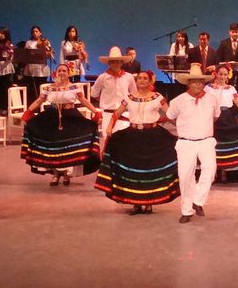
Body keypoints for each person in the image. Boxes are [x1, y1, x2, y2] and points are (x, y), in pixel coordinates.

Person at [95, 70, 180, 215]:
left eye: (145, 78)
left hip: (153, 137)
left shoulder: (158, 97)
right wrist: (109, 127)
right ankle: (135, 202)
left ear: (150, 81)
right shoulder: (129, 98)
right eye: (139, 78)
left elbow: (170, 114)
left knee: (150, 171)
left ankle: (149, 202)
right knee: (133, 170)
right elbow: (117, 113)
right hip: (133, 136)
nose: (141, 80)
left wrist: (182, 125)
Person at [20, 64, 102, 186]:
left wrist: (96, 112)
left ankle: (65, 174)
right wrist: (28, 112)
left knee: (67, 147)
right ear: (56, 72)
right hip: (51, 117)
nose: (62, 73)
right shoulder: (48, 88)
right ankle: (55, 174)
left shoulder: (74, 87)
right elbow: (39, 101)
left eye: (64, 71)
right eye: (60, 70)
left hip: (70, 118)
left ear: (68, 73)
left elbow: (83, 101)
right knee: (54, 148)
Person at [166, 63, 220, 224]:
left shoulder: (212, 98)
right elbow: (170, 116)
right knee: (185, 176)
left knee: (210, 169)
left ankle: (197, 199)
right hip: (186, 142)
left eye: (199, 81)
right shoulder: (179, 101)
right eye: (193, 81)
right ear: (188, 83)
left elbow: (215, 116)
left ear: (204, 83)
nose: (197, 84)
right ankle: (186, 210)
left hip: (206, 140)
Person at [91, 46, 137, 138]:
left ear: (121, 62)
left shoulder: (129, 77)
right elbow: (94, 94)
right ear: (109, 63)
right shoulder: (102, 77)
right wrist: (105, 101)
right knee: (108, 141)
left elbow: (134, 94)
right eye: (112, 61)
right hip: (108, 113)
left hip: (124, 114)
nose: (115, 64)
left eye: (117, 61)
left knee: (124, 141)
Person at [24, 26, 54, 105]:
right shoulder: (28, 42)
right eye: (33, 31)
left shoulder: (45, 42)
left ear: (40, 33)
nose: (35, 33)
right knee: (32, 88)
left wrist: (47, 50)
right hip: (32, 68)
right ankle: (32, 105)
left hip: (42, 69)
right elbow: (26, 55)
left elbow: (50, 54)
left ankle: (42, 105)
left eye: (37, 31)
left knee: (41, 87)